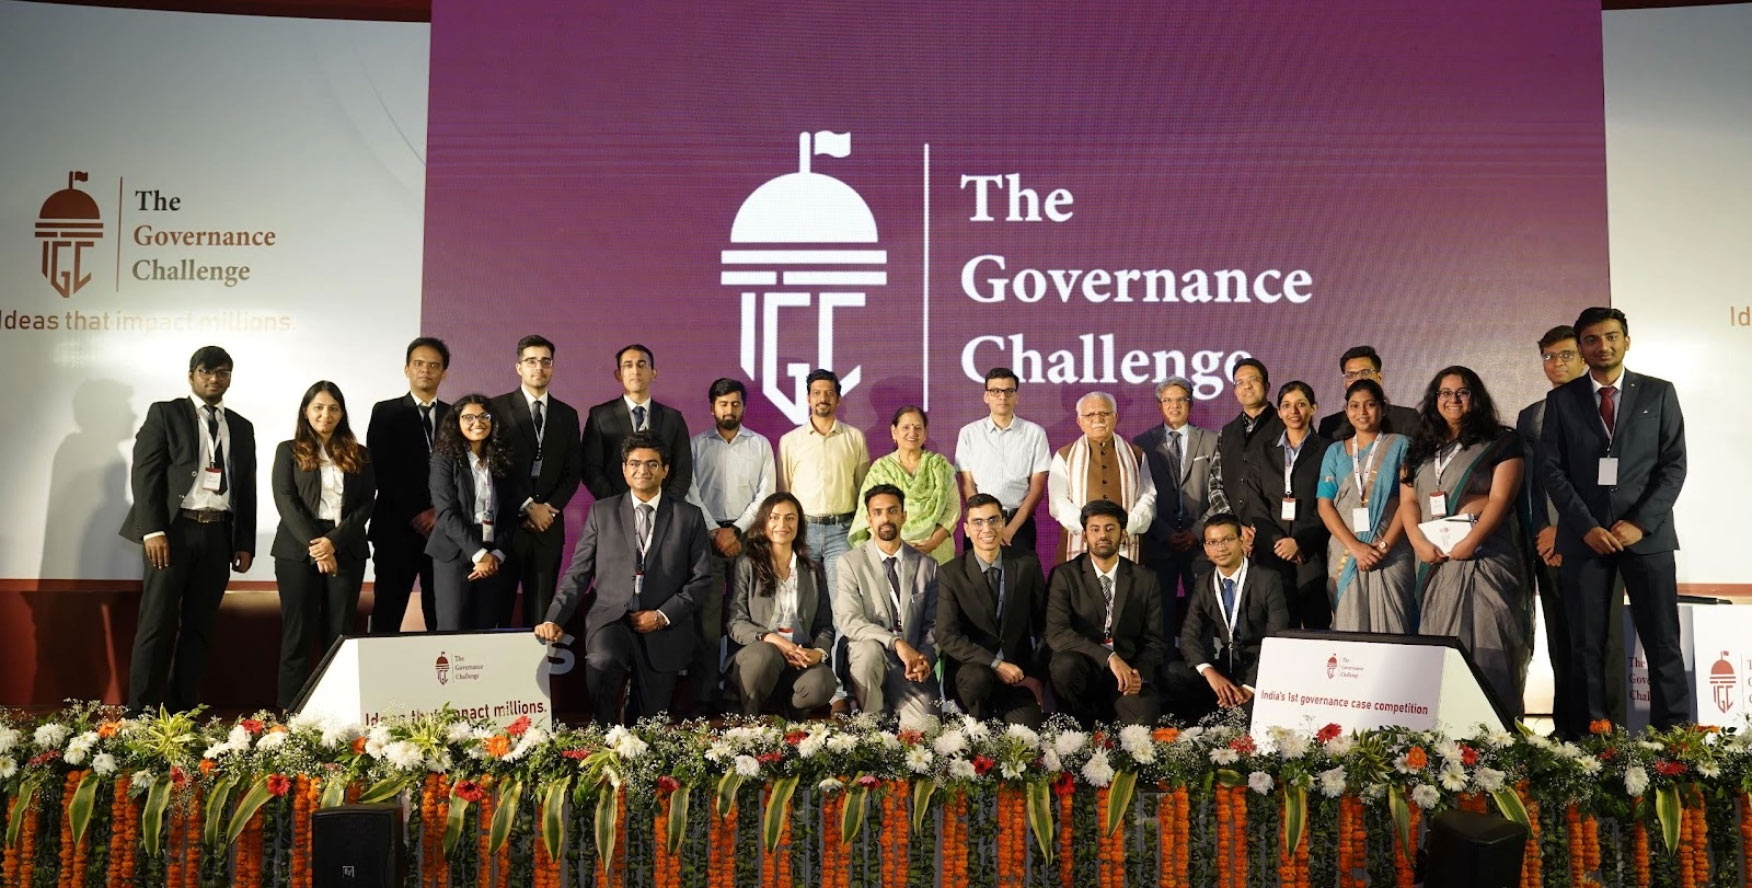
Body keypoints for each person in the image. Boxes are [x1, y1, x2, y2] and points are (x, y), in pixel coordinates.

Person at [1540, 307, 1688, 735]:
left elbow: (1673, 466)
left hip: (1647, 537)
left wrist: (1639, 523)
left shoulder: (1659, 393)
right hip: (1585, 539)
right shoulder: (1561, 400)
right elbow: (1552, 469)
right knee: (1585, 644)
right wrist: (1586, 526)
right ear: (1581, 348)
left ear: (1626, 341)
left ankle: (1674, 738)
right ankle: (1594, 738)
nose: (1602, 346)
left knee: (1662, 641)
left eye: (1611, 336)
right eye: (1591, 339)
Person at [535, 432, 712, 725]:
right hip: (611, 618)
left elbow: (702, 578)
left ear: (665, 470)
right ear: (624, 469)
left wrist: (663, 615)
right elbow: (578, 573)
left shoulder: (688, 516)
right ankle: (603, 732)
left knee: (648, 724)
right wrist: (554, 618)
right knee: (603, 660)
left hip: (663, 625)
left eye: (652, 464)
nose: (643, 470)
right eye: (635, 463)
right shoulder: (602, 512)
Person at [121, 345, 257, 714]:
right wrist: (152, 530)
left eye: (223, 372)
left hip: (218, 535)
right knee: (157, 623)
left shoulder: (241, 426)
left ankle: (182, 711)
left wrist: (244, 541)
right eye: (206, 371)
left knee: (199, 627)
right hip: (172, 532)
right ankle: (141, 712)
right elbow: (145, 475)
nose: (215, 378)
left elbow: (246, 486)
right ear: (191, 376)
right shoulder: (166, 413)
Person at [1400, 366, 1530, 716]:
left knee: (1490, 642)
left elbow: (1500, 499)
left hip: (1485, 557)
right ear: (1435, 399)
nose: (1453, 399)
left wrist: (1472, 541)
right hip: (1436, 559)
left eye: (1462, 392)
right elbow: (1408, 501)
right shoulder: (1420, 447)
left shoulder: (1500, 441)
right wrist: (1417, 542)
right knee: (1441, 644)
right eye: (1445, 393)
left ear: (1476, 397)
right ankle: (1446, 728)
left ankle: (1496, 729)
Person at [1517, 326, 1626, 728]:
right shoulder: (1531, 415)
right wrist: (1543, 534)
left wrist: (1567, 531)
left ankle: (1608, 736)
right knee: (1560, 641)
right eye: (1549, 357)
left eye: (1566, 355)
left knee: (1600, 641)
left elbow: (1607, 483)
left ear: (1582, 357)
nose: (1557, 364)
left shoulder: (1605, 408)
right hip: (1547, 546)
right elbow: (1534, 483)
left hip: (1594, 541)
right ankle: (1566, 731)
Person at [270, 382, 375, 709]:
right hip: (297, 551)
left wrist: (333, 542)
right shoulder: (288, 450)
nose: (325, 414)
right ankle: (290, 716)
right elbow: (286, 501)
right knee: (298, 634)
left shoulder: (359, 454)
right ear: (306, 411)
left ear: (341, 413)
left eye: (333, 408)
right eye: (318, 407)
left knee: (339, 636)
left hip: (346, 547)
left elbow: (366, 504)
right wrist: (317, 547)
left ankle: (335, 714)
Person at [686, 377, 776, 716]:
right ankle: (704, 698)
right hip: (706, 540)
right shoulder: (696, 445)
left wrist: (736, 530)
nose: (729, 409)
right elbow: (690, 491)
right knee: (707, 622)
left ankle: (740, 694)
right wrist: (715, 531)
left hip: (748, 540)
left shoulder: (760, 445)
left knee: (746, 616)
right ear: (712, 408)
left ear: (743, 407)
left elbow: (766, 494)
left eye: (735, 404)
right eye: (723, 404)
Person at [1045, 499, 1167, 727]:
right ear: (1085, 536)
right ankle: (1080, 727)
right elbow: (1057, 633)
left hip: (1127, 672)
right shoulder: (1065, 575)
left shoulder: (1145, 579)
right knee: (1064, 666)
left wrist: (1138, 674)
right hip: (1084, 668)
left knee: (1143, 721)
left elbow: (1154, 640)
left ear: (1123, 534)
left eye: (1110, 528)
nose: (1102, 535)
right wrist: (1109, 658)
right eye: (1095, 529)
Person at [491, 335, 583, 628]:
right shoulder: (496, 409)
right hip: (507, 525)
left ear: (553, 367)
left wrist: (549, 509)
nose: (539, 367)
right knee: (497, 611)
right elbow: (495, 467)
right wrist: (529, 506)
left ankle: (538, 661)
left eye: (545, 361)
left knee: (542, 615)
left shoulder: (567, 414)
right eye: (531, 361)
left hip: (547, 528)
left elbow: (573, 471)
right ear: (519, 367)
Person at [1164, 514, 1290, 723]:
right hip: (1226, 668)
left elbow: (1276, 638)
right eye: (1212, 542)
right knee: (1173, 673)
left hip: (1260, 669)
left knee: (1243, 718)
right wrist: (1210, 673)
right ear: (1205, 549)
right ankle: (1211, 715)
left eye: (1227, 540)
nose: (1220, 548)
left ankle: (1231, 707)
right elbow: (1188, 636)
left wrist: (1250, 687)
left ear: (1241, 541)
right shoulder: (1204, 582)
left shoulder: (1268, 579)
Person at [935, 494, 1048, 727]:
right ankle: (977, 724)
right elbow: (947, 636)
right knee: (977, 681)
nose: (986, 528)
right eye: (978, 522)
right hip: (974, 675)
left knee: (1027, 736)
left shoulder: (1027, 563)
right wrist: (995, 664)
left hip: (1018, 675)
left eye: (993, 520)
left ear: (1003, 523)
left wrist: (1035, 675)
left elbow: (1045, 625)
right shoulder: (950, 573)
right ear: (966, 530)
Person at [832, 484, 939, 723]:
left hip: (910, 664)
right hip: (871, 657)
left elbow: (934, 623)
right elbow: (850, 620)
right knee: (867, 652)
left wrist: (925, 658)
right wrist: (896, 642)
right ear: (869, 519)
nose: (885, 519)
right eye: (878, 512)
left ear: (904, 516)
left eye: (892, 511)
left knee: (927, 728)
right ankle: (873, 722)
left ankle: (896, 710)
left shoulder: (927, 565)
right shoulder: (850, 563)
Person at [723, 492, 837, 717]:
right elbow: (736, 622)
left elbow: (824, 625)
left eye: (790, 518)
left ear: (799, 524)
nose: (782, 524)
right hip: (756, 655)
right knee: (765, 655)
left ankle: (788, 717)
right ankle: (749, 719)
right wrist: (774, 640)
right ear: (763, 523)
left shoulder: (813, 571)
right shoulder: (746, 564)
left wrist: (818, 652)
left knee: (823, 682)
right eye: (774, 517)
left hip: (798, 657)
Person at [1316, 379, 1415, 633]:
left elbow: (1408, 502)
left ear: (1383, 408)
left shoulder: (1402, 445)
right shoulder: (1334, 452)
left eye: (1370, 405)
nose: (1362, 412)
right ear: (1346, 411)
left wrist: (1383, 547)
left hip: (1392, 551)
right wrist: (1356, 548)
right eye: (1354, 405)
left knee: (1396, 626)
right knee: (1349, 626)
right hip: (1345, 551)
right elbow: (1325, 505)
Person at [365, 337, 450, 633]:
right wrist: (417, 513)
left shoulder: (455, 416)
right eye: (419, 363)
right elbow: (381, 469)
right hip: (395, 529)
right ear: (406, 369)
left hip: (442, 531)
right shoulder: (385, 412)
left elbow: (462, 475)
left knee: (439, 616)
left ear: (444, 373)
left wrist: (439, 512)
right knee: (387, 613)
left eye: (434, 365)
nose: (426, 370)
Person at [426, 395, 524, 631]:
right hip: (454, 551)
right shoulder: (444, 458)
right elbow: (447, 513)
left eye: (483, 416)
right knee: (453, 630)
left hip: (493, 553)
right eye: (468, 417)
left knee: (486, 629)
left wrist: (496, 554)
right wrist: (479, 555)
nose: (477, 422)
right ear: (456, 422)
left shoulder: (502, 458)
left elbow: (510, 511)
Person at [1133, 376, 1221, 639]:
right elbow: (1139, 495)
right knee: (1160, 614)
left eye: (1180, 399)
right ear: (1159, 405)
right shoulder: (1142, 444)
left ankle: (1202, 662)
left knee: (1203, 611)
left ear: (1190, 404)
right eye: (1167, 400)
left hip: (1202, 543)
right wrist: (1164, 532)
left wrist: (1198, 530)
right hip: (1159, 542)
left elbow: (1220, 492)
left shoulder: (1212, 440)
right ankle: (1164, 662)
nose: (1174, 405)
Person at [1244, 382, 1332, 629]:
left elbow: (1329, 502)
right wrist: (1277, 541)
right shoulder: (1262, 451)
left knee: (1316, 623)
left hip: (1311, 551)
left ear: (1313, 408)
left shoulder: (1328, 450)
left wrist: (1300, 542)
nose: (1293, 411)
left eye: (1301, 404)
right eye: (1286, 405)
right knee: (1279, 624)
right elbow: (1256, 503)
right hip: (1271, 551)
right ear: (1279, 412)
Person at [777, 368, 870, 592]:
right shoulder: (790, 441)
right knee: (802, 597)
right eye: (816, 393)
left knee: (843, 598)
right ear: (808, 398)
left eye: (829, 393)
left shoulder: (855, 438)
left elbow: (863, 488)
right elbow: (784, 490)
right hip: (803, 531)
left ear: (838, 399)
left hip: (842, 531)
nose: (823, 398)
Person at [1047, 391, 1156, 562]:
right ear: (1079, 421)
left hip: (1127, 541)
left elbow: (1148, 497)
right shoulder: (1064, 456)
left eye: (1104, 413)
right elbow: (1058, 502)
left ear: (1115, 417)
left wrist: (1125, 529)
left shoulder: (1136, 454)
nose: (1097, 419)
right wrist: (1091, 531)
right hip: (1079, 542)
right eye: (1090, 415)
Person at [954, 367, 1051, 553]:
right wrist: (984, 523)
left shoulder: (1035, 433)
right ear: (986, 396)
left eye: (1009, 391)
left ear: (1016, 397)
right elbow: (967, 484)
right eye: (995, 391)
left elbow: (1037, 488)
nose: (1002, 397)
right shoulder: (969, 433)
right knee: (976, 572)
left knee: (1022, 572)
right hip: (980, 525)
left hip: (1019, 524)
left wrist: (1010, 529)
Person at [849, 406, 960, 563]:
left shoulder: (940, 466)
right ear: (894, 432)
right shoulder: (881, 469)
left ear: (925, 433)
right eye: (906, 427)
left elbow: (953, 510)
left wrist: (933, 542)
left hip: (937, 552)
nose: (912, 433)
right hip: (890, 553)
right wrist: (894, 545)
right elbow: (866, 513)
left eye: (918, 428)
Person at [582, 344, 692, 499]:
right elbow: (590, 468)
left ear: (653, 373)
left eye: (641, 364)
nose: (635, 371)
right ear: (618, 374)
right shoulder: (600, 416)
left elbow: (683, 470)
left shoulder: (673, 418)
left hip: (663, 508)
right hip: (615, 507)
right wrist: (616, 503)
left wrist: (665, 504)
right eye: (628, 365)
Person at [1211, 358, 1282, 555]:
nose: (1246, 386)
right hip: (1235, 540)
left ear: (1267, 386)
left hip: (1279, 536)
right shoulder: (1226, 432)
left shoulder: (1286, 424)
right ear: (1235, 391)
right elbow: (1215, 484)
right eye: (1240, 382)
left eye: (1253, 380)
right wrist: (1233, 527)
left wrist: (1263, 528)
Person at [1315, 346, 1421, 440]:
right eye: (1351, 375)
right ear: (1345, 382)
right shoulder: (1329, 425)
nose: (1358, 380)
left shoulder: (1406, 418)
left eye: (1365, 373)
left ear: (1379, 378)